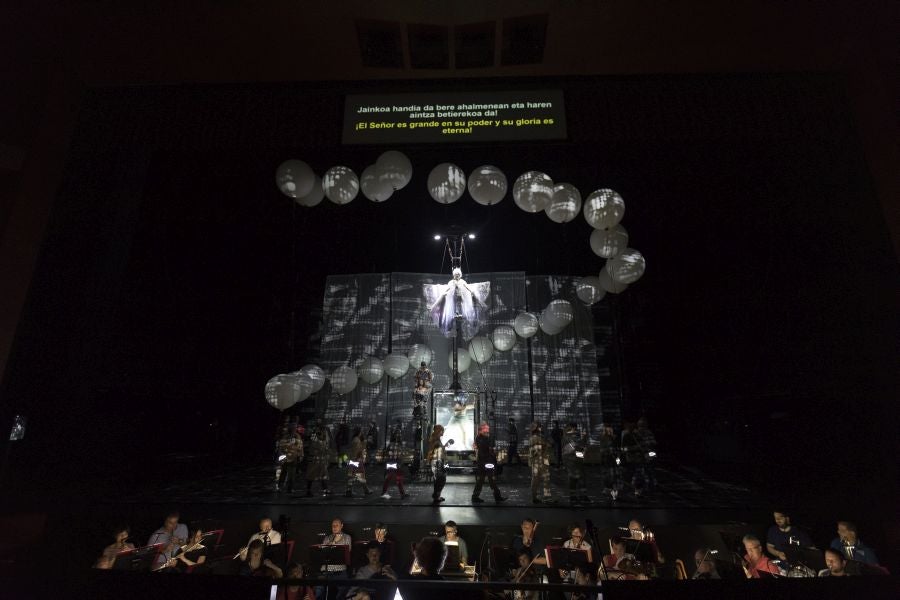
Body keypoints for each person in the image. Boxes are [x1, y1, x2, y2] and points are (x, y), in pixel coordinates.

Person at [472, 422, 506, 504]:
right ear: (482, 429)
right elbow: (487, 450)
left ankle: (475, 497)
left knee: (483, 480)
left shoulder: (480, 438)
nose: (488, 429)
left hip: (483, 462)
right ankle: (497, 497)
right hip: (486, 462)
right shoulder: (482, 438)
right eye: (486, 428)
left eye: (488, 428)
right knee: (490, 479)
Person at [527, 422, 553, 504]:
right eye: (540, 427)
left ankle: (534, 497)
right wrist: (546, 445)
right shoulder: (536, 438)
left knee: (535, 480)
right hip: (541, 461)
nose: (541, 428)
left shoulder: (534, 438)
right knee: (546, 479)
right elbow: (537, 450)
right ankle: (547, 497)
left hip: (536, 461)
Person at [562, 423, 587, 503]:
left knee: (580, 477)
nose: (576, 430)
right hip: (571, 459)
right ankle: (574, 496)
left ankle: (580, 495)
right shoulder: (567, 437)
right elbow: (575, 447)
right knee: (574, 477)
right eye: (575, 428)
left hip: (575, 458)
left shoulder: (571, 436)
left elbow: (580, 447)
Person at [596, 423, 621, 500]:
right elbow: (601, 450)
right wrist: (607, 451)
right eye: (608, 429)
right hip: (607, 459)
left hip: (614, 459)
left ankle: (614, 492)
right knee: (608, 476)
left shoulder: (614, 438)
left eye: (610, 429)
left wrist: (618, 457)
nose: (610, 431)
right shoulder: (603, 438)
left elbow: (618, 448)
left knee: (615, 476)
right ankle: (608, 489)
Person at [346, 427, 373, 497]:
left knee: (352, 476)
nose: (362, 433)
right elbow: (358, 451)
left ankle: (349, 491)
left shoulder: (355, 439)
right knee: (361, 475)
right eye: (361, 432)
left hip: (353, 461)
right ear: (359, 432)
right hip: (357, 461)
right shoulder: (357, 440)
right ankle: (366, 490)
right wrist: (364, 443)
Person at [306, 424, 331, 497]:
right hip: (314, 459)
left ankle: (325, 489)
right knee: (311, 475)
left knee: (323, 475)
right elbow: (314, 446)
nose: (324, 432)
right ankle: (308, 490)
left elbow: (325, 447)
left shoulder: (323, 437)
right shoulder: (315, 436)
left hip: (321, 459)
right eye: (323, 430)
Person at [278, 427, 305, 494]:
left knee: (291, 474)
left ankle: (289, 488)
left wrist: (300, 455)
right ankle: (280, 487)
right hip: (286, 458)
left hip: (293, 458)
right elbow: (281, 447)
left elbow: (300, 447)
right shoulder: (286, 437)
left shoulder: (297, 437)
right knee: (284, 473)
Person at [426, 425, 448, 504]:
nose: (443, 432)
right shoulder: (434, 439)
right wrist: (429, 461)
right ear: (439, 431)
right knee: (440, 479)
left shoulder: (436, 439)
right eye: (442, 430)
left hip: (439, 461)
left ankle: (437, 496)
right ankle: (436, 496)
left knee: (440, 480)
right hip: (436, 462)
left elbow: (438, 450)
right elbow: (431, 450)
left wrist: (444, 446)